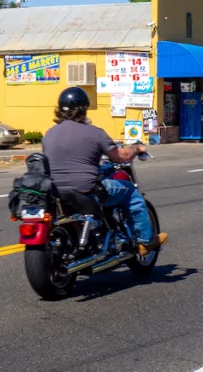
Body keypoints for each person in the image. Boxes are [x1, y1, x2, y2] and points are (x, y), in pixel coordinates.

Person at [42, 87, 168, 256]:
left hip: (57, 191)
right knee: (130, 191)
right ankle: (146, 241)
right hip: (85, 190)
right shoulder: (94, 133)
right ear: (83, 108)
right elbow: (122, 156)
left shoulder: (49, 134)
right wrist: (137, 148)